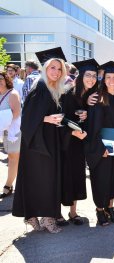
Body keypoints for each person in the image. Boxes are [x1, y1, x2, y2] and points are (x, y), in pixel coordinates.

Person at [12, 47, 68, 234]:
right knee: (43, 181)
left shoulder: (51, 88)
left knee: (43, 180)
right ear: (45, 69)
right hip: (38, 145)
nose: (56, 72)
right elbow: (27, 118)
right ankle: (46, 219)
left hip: (46, 140)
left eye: (59, 69)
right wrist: (45, 119)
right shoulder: (41, 87)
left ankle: (35, 217)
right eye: (52, 68)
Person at [57, 59, 98, 226]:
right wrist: (73, 132)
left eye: (94, 76)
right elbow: (59, 119)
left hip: (80, 144)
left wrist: (87, 112)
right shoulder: (68, 93)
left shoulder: (91, 95)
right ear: (80, 76)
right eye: (88, 75)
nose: (91, 78)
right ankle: (57, 213)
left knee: (77, 176)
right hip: (66, 142)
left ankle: (73, 212)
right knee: (63, 176)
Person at [85, 61, 114, 226]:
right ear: (103, 79)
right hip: (101, 147)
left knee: (113, 178)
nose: (112, 80)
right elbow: (94, 127)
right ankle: (100, 209)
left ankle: (109, 207)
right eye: (108, 77)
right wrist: (101, 148)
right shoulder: (98, 99)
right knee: (101, 178)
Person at [0, 72, 21, 199]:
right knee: (13, 158)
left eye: (1, 78)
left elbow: (17, 113)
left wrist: (2, 124)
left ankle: (8, 185)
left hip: (14, 131)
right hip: (6, 131)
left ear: (6, 80)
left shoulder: (12, 94)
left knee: (13, 158)